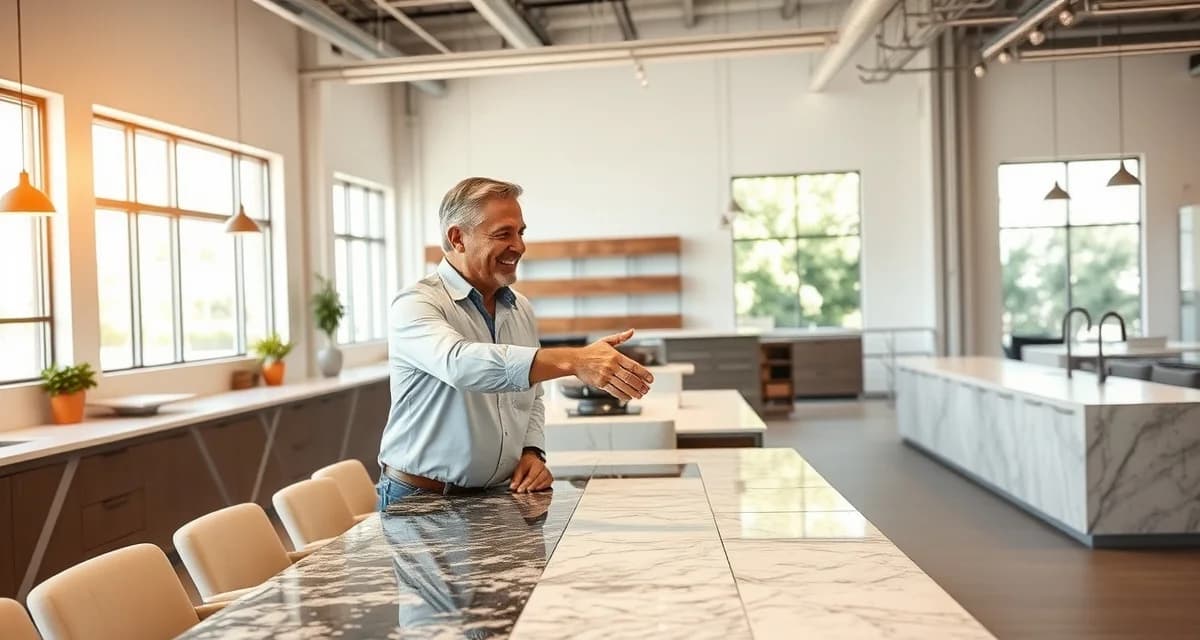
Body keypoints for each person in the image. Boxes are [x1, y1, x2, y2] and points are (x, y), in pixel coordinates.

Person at [377, 177, 655, 509]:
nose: (520, 246)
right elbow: (460, 364)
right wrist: (576, 360)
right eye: (503, 234)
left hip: (498, 495)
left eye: (521, 233)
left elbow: (531, 397)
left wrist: (531, 451)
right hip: (421, 503)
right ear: (457, 238)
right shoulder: (416, 304)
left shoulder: (520, 308)